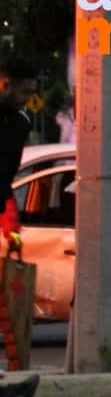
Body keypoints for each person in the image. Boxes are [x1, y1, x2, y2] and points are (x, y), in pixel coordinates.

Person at [0, 56, 36, 258]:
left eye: (32, 93)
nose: (28, 99)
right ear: (6, 85)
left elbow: (4, 183)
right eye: (25, 92)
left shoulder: (19, 125)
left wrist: (11, 229)